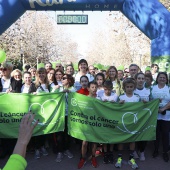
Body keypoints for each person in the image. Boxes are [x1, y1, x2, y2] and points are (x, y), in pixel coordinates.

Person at [115, 78, 140, 169]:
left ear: (134, 87)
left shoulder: (137, 97)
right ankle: (119, 158)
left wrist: (145, 103)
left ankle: (131, 158)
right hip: (123, 122)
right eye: (127, 87)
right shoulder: (121, 97)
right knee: (122, 140)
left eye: (131, 87)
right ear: (124, 88)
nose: (129, 88)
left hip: (133, 123)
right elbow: (115, 109)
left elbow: (142, 109)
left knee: (132, 140)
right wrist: (118, 104)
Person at [53, 74, 75, 163]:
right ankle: (59, 151)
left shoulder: (73, 89)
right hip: (59, 114)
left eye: (64, 78)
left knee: (67, 133)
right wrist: (55, 89)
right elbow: (51, 97)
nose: (62, 79)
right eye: (61, 78)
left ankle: (66, 149)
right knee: (59, 134)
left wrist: (69, 93)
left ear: (69, 80)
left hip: (68, 115)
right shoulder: (58, 88)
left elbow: (76, 99)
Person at [78, 81, 98, 169]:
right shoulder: (84, 98)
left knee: (94, 141)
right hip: (86, 124)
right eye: (92, 87)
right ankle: (82, 158)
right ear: (88, 89)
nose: (94, 89)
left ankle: (93, 157)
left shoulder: (99, 99)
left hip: (96, 123)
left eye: (95, 87)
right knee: (84, 143)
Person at [97, 80, 118, 164]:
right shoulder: (100, 94)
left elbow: (118, 107)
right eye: (105, 89)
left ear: (112, 88)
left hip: (112, 119)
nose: (107, 91)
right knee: (105, 137)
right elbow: (96, 104)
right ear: (103, 88)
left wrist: (114, 104)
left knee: (112, 137)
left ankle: (111, 152)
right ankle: (105, 153)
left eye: (109, 89)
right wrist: (102, 103)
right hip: (103, 119)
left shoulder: (115, 96)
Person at [151, 72, 170, 162]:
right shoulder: (152, 88)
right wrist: (156, 108)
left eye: (164, 77)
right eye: (160, 77)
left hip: (166, 116)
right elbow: (149, 100)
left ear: (166, 79)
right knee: (156, 134)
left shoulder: (169, 88)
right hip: (155, 115)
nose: (162, 79)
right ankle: (156, 150)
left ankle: (165, 152)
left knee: (165, 135)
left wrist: (163, 109)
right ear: (157, 78)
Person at [134, 72, 151, 161]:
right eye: (139, 78)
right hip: (135, 116)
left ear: (144, 80)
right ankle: (135, 151)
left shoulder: (148, 90)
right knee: (135, 134)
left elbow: (152, 102)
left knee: (144, 134)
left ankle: (142, 151)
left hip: (145, 116)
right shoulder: (132, 90)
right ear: (136, 80)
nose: (140, 80)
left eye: (142, 78)